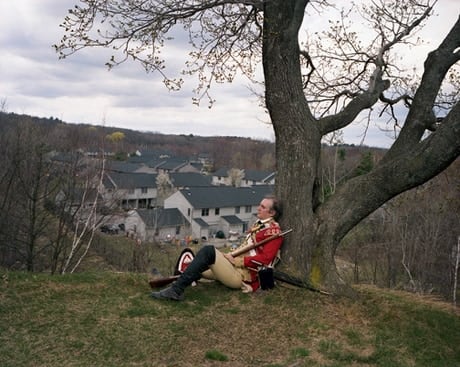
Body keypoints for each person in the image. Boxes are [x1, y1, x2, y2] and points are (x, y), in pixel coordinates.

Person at [151, 195, 283, 301]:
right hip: (233, 267)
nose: (258, 208)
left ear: (271, 213)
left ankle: (176, 291)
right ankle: (177, 283)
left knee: (208, 251)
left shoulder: (273, 232)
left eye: (263, 207)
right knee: (194, 263)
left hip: (242, 276)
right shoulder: (259, 225)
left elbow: (265, 259)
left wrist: (237, 261)